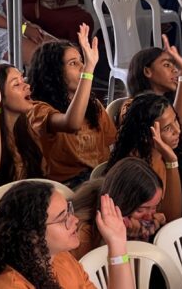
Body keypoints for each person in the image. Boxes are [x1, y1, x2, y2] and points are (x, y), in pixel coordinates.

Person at [0, 181, 134, 288]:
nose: (75, 220)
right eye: (63, 218)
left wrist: (117, 244)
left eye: (69, 211)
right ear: (32, 235)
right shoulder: (10, 285)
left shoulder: (63, 259)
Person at [26, 25, 115, 188]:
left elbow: (108, 147)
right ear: (54, 72)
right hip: (68, 185)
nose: (82, 66)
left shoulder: (93, 104)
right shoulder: (39, 109)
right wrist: (88, 69)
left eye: (82, 61)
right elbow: (71, 123)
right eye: (74, 63)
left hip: (100, 176)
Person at [106, 93, 182, 222]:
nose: (178, 130)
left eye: (175, 120)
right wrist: (172, 162)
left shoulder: (163, 153)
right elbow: (171, 219)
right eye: (167, 128)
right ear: (146, 136)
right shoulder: (135, 169)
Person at [70, 157, 164, 259]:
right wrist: (121, 239)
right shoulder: (84, 235)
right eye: (140, 210)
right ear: (121, 203)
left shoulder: (145, 224)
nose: (149, 217)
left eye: (154, 207)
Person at [122, 34, 182, 128]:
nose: (175, 70)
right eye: (166, 65)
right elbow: (179, 126)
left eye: (174, 65)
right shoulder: (134, 108)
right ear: (147, 71)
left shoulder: (168, 103)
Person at [0, 65, 45, 187]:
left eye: (23, 79)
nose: (27, 86)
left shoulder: (27, 130)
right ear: (0, 97)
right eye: (16, 84)